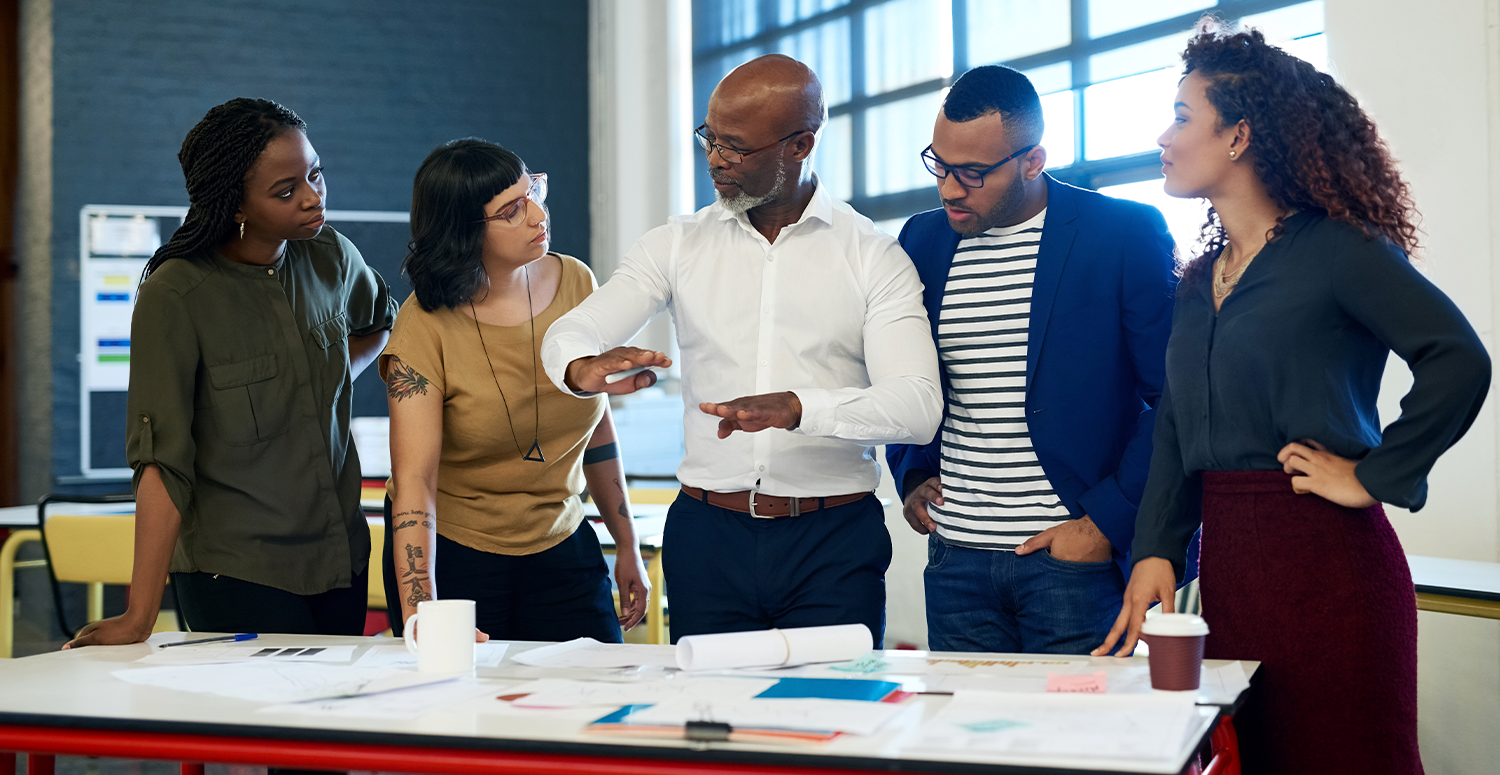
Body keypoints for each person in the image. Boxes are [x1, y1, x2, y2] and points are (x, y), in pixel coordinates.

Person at [1094, 24, 1490, 775]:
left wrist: (1374, 475)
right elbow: (1175, 424)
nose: (1163, 137)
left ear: (1238, 135)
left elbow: (1457, 359)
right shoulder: (1199, 280)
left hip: (1332, 566)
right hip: (1233, 575)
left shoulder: (1340, 249)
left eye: (1181, 116)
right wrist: (1155, 550)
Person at [541, 54, 941, 645]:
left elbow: (916, 405)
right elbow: (571, 331)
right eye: (709, 138)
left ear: (801, 145)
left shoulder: (872, 255)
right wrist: (581, 368)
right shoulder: (675, 245)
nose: (714, 159)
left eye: (735, 147)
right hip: (708, 537)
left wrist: (800, 408)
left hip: (833, 540)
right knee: (709, 703)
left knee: (832, 700)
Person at [64, 98, 398, 647]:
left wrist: (330, 378)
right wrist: (139, 616)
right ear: (235, 204)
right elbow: (161, 462)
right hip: (238, 570)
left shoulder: (332, 256)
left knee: (333, 705)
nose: (313, 196)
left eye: (315, 173)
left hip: (341, 558)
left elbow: (380, 325)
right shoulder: (176, 294)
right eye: (285, 191)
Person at [885, 65, 1180, 655]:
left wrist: (1104, 523)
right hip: (955, 560)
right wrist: (911, 470)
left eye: (972, 173)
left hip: (1071, 562)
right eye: (939, 165)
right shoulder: (921, 240)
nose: (949, 189)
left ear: (1032, 161)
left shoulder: (1121, 232)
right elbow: (904, 371)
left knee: (1079, 718)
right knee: (967, 719)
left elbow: (1175, 398)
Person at [380, 139, 648, 642]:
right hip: (455, 555)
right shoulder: (423, 325)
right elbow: (414, 481)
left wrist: (627, 544)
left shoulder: (576, 283)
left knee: (595, 684)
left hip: (562, 542)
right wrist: (423, 609)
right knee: (465, 692)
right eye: (511, 211)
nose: (538, 216)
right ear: (463, 232)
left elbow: (596, 427)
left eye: (534, 193)